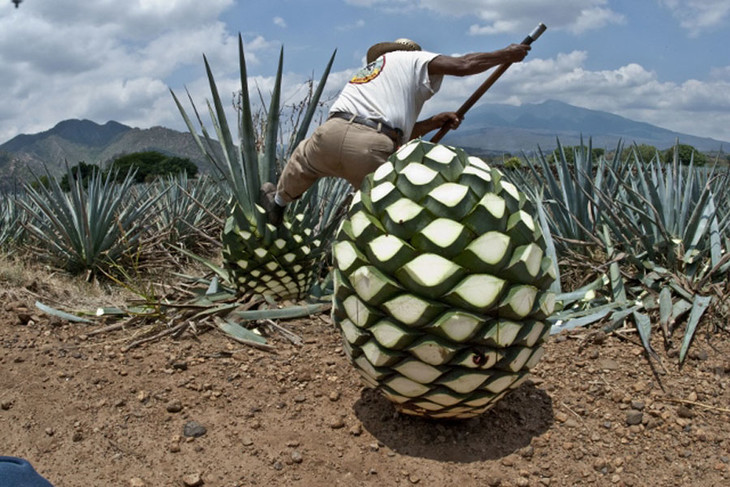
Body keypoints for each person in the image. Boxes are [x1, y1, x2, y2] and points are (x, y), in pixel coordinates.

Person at [261, 38, 530, 225]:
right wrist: (506, 55)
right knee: (380, 211)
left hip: (329, 134)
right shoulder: (413, 59)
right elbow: (465, 65)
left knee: (302, 160)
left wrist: (434, 122)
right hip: (370, 148)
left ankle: (280, 202)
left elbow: (391, 130)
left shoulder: (372, 74)